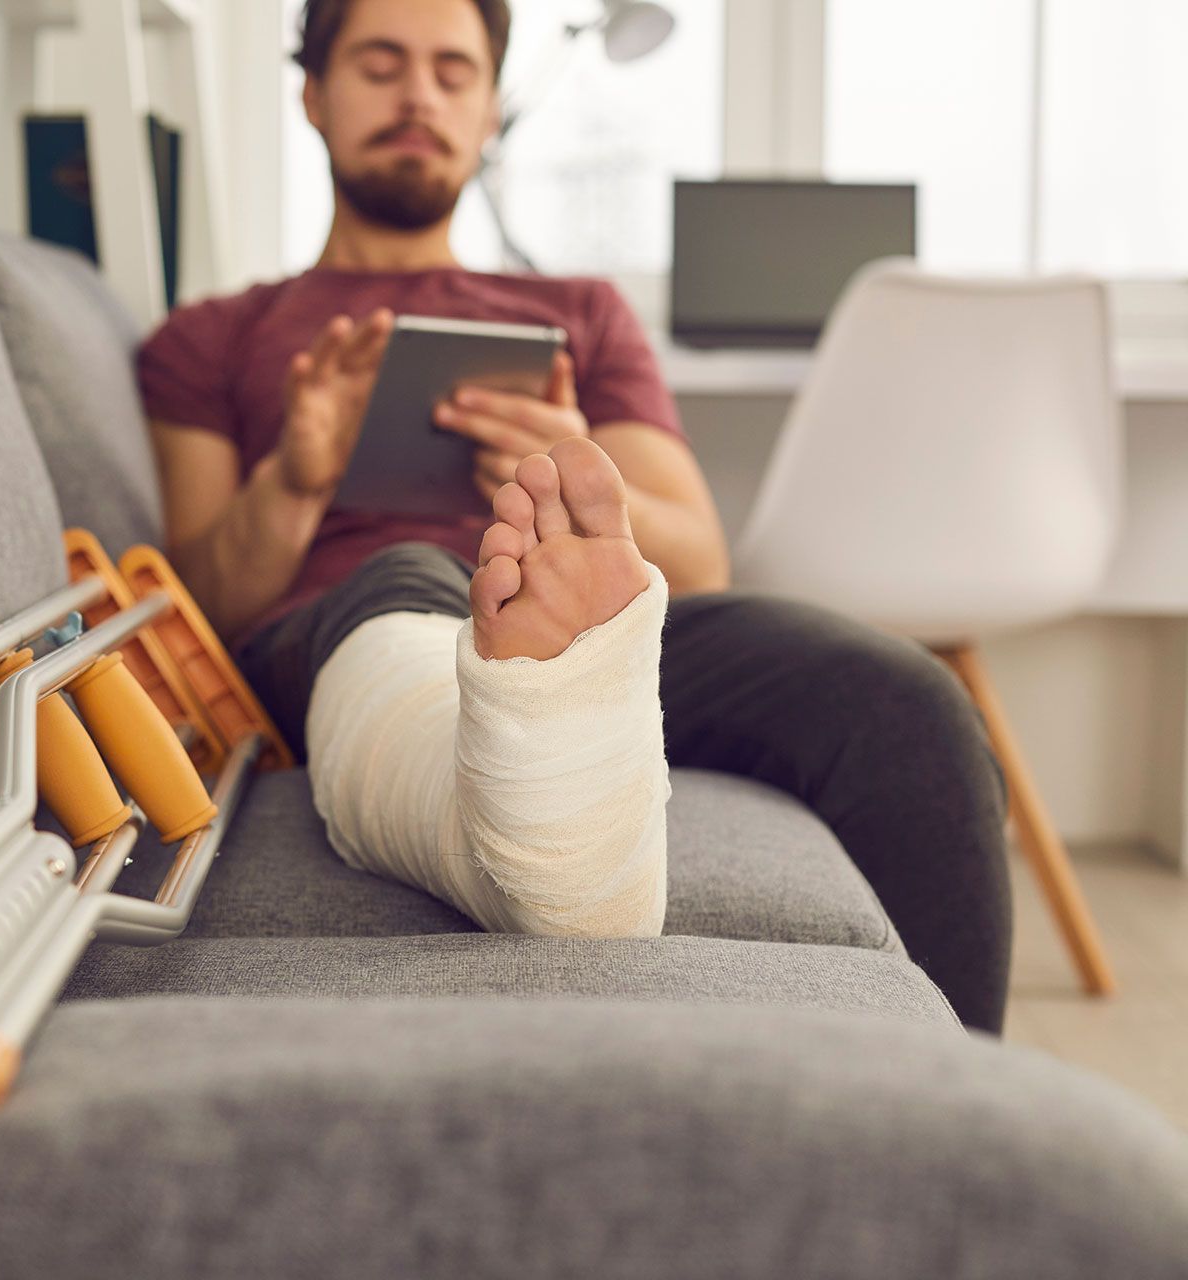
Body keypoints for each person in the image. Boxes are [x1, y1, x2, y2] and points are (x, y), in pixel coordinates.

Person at [136, 0, 1013, 1032]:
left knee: (905, 703)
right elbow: (196, 609)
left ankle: (961, 1112)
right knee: (416, 570)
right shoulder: (211, 337)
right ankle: (517, 738)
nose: (420, 94)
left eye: (454, 72)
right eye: (382, 64)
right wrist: (294, 477)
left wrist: (568, 469)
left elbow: (696, 558)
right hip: (337, 628)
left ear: (489, 110)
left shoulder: (580, 313)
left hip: (608, 634)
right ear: (314, 98)